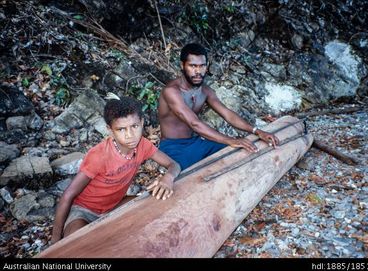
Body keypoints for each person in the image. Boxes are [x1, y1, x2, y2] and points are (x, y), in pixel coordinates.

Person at [51, 96, 180, 244]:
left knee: (158, 205)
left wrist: (168, 178)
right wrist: (55, 241)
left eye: (134, 126)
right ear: (110, 130)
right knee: (77, 244)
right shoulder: (99, 155)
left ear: (142, 123)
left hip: (115, 206)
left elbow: (174, 165)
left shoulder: (143, 145)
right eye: (121, 129)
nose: (130, 135)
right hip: (84, 212)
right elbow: (68, 195)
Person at [158, 43, 279, 170]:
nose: (198, 71)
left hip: (196, 142)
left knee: (240, 153)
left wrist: (257, 131)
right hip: (173, 147)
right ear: (182, 66)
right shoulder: (171, 91)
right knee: (191, 176)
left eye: (202, 66)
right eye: (193, 66)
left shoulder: (205, 91)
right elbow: (194, 123)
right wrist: (230, 140)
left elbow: (227, 114)